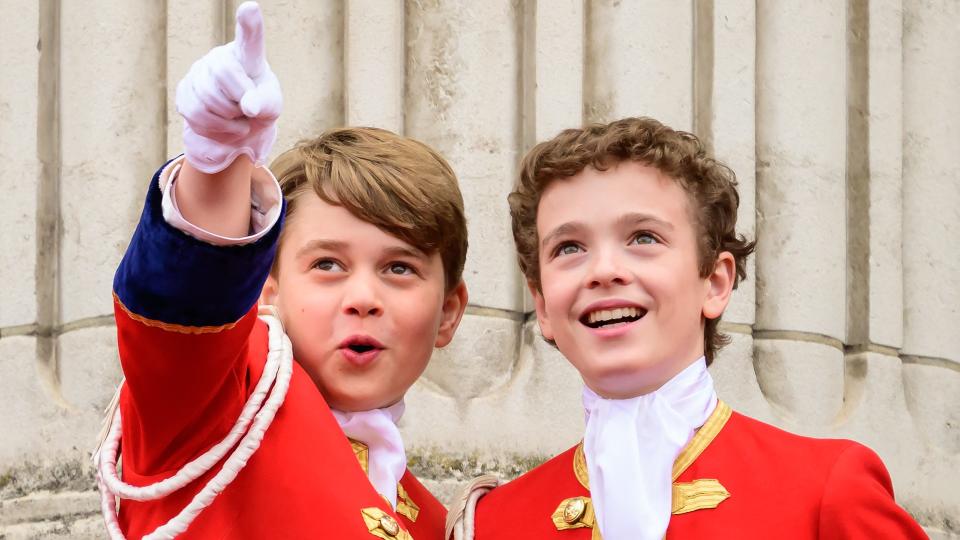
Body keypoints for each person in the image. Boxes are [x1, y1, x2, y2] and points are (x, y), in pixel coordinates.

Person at [446, 117, 926, 539]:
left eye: (644, 237)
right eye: (569, 248)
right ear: (543, 306)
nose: (603, 270)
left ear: (715, 283)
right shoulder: (494, 523)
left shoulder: (825, 489)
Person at [95, 3, 467, 538]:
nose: (363, 296)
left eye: (399, 268)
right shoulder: (212, 402)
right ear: (267, 290)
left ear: (449, 311)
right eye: (327, 264)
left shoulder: (436, 523)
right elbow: (189, 306)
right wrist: (217, 168)